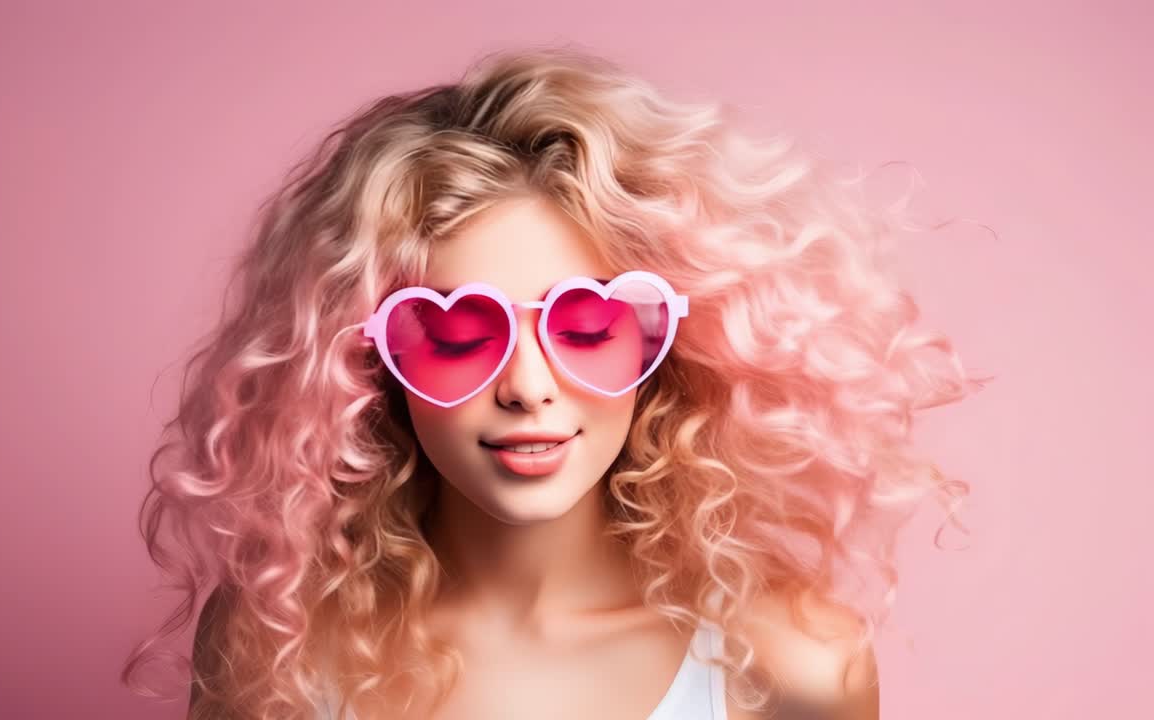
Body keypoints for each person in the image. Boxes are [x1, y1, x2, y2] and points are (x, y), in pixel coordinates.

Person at [121, 45, 987, 720]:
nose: (529, 387)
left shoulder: (796, 665)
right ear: (369, 357)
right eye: (458, 333)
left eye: (587, 327)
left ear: (666, 344)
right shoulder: (280, 643)